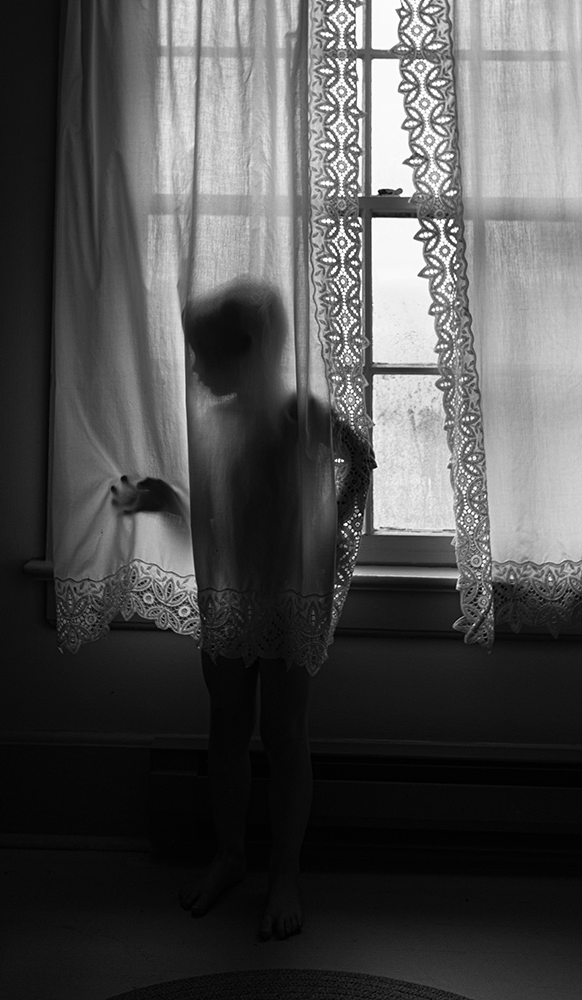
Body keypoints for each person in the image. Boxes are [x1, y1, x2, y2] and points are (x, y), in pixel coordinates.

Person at [111, 277, 374, 940]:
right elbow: (216, 522)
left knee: (285, 734)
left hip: (288, 600)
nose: (198, 370)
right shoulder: (217, 425)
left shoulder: (297, 411)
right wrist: (164, 500)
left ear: (250, 351)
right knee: (226, 729)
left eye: (207, 356)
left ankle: (284, 871)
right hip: (231, 599)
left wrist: (327, 540)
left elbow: (362, 461)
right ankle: (230, 855)